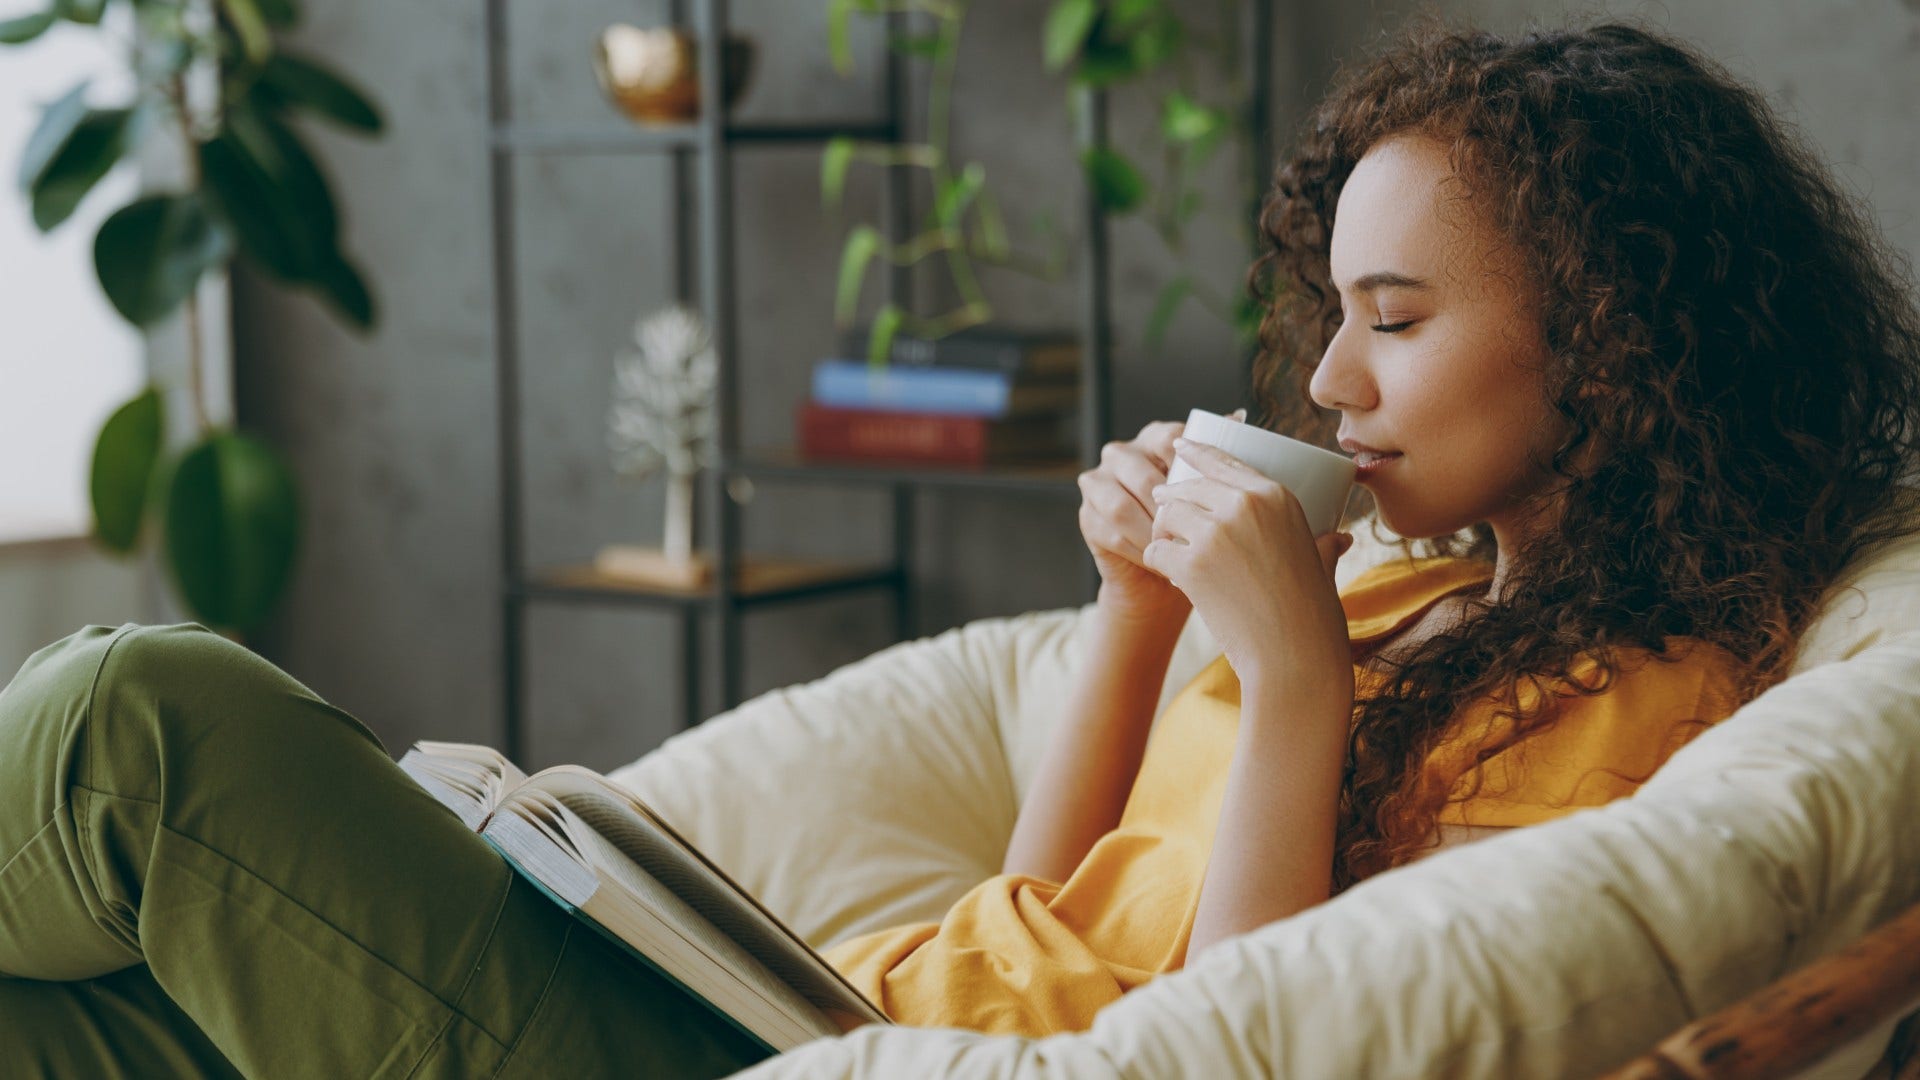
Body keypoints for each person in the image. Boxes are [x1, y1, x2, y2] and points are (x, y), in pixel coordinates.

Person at [2, 16, 1917, 1078]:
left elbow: (1255, 1047)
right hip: (834, 1018)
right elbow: (1041, 903)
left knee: (137, 720)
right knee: (72, 1022)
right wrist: (1141, 616)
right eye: (1331, 308)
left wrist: (1298, 688)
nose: (1327, 375)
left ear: (1612, 335)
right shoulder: (1422, 586)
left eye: (1397, 319)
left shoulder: (1629, 702)